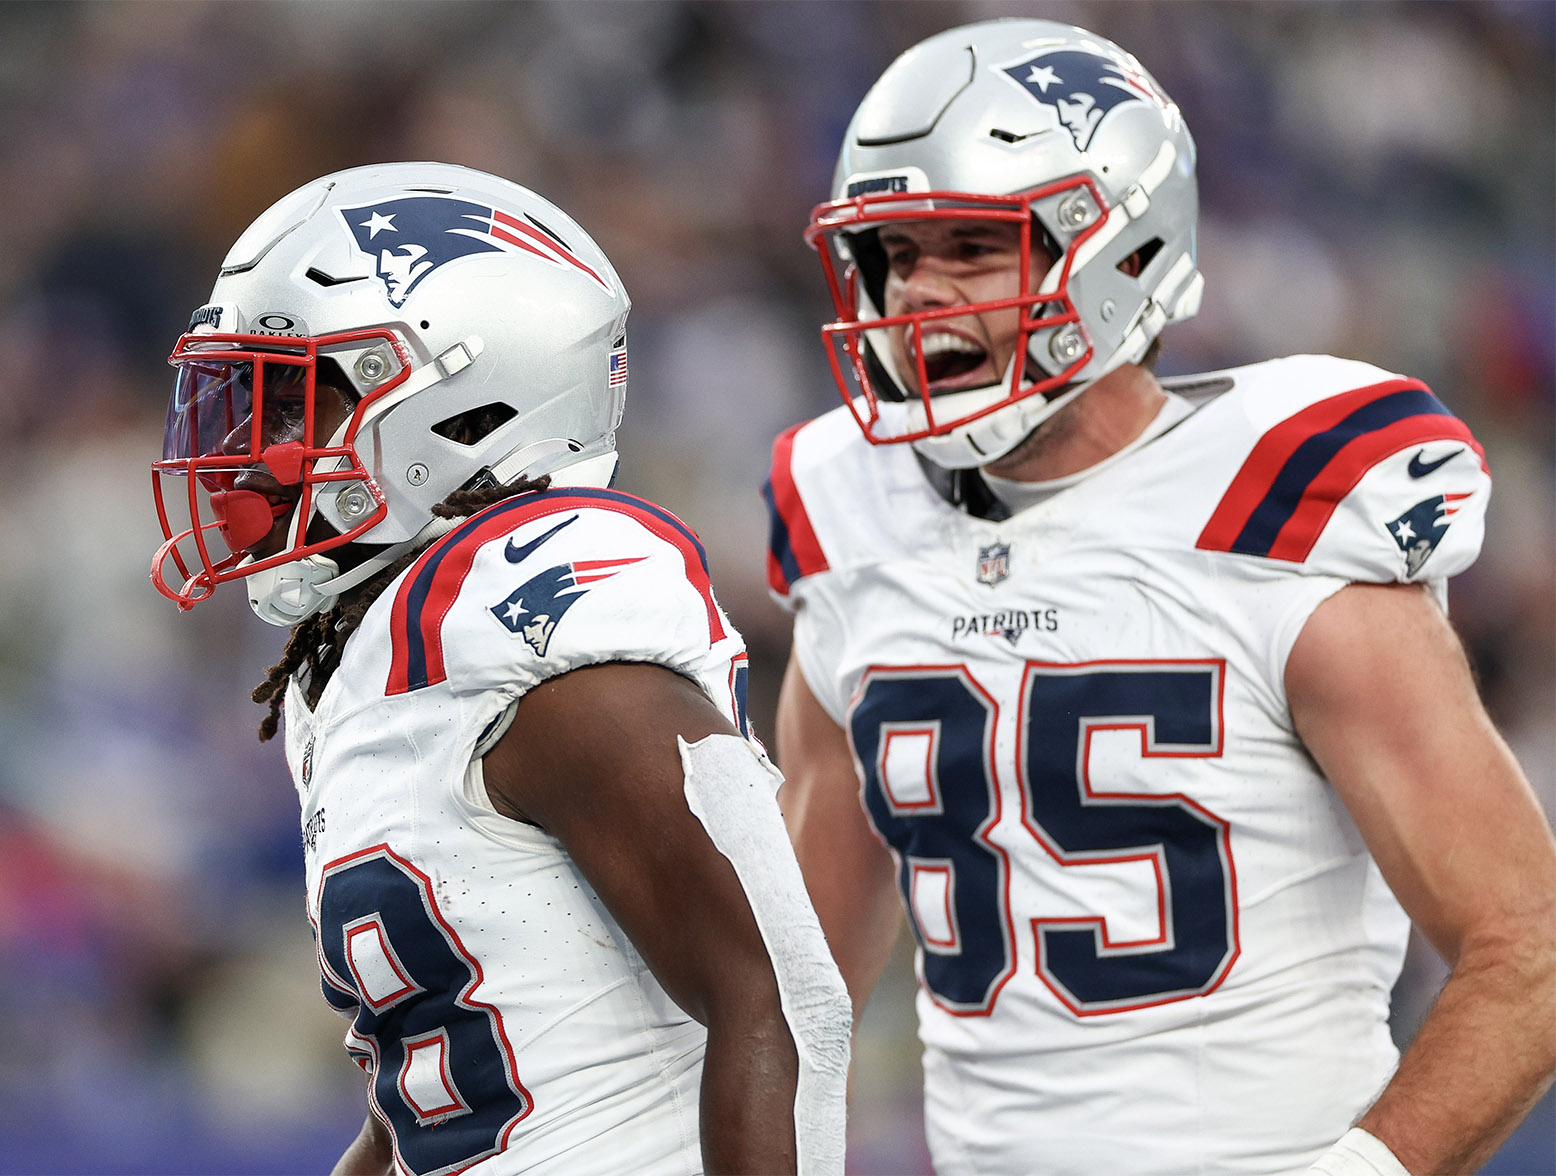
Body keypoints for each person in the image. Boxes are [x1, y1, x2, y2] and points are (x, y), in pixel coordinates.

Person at [764, 19, 1555, 1176]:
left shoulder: (1276, 510)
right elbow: (792, 986)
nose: (916, 295)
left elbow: (1525, 942)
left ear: (1116, 252)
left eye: (969, 252)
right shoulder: (849, 521)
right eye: (893, 254)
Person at [151, 162, 850, 1176]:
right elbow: (423, 1100)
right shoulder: (371, 660)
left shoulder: (561, 662)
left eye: (299, 407)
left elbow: (783, 1002)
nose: (255, 454)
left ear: (466, 408)